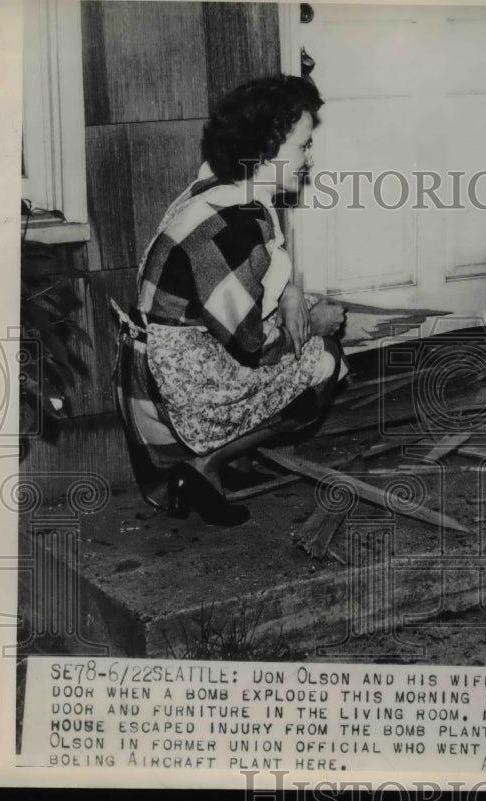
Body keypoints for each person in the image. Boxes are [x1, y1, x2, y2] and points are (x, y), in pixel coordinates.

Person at [114, 75, 346, 526]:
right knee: (326, 363)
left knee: (297, 319)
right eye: (302, 146)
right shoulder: (235, 226)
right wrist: (316, 325)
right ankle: (203, 469)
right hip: (171, 384)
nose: (309, 158)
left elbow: (266, 268)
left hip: (157, 360)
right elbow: (253, 347)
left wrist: (295, 292)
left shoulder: (219, 185)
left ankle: (230, 462)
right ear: (264, 152)